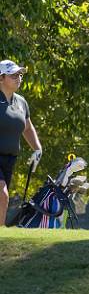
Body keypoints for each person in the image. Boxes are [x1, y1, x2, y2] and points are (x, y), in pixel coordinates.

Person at [0, 60, 42, 226]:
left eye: (19, 75)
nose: (18, 78)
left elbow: (27, 128)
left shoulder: (21, 102)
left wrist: (37, 149)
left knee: (2, 197)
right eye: (13, 75)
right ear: (1, 78)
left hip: (9, 160)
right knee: (2, 195)